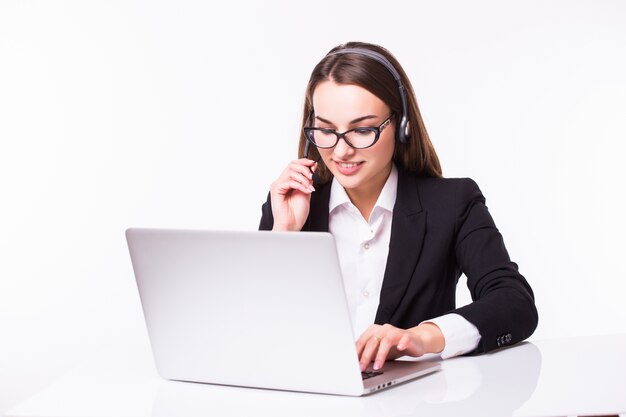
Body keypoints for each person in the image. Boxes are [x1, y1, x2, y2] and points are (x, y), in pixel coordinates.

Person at [259, 41, 538, 372]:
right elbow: (257, 328)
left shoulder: (452, 203)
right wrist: (285, 236)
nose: (341, 151)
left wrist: (421, 337)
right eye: (326, 130)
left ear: (402, 126)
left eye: (362, 130)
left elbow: (514, 303)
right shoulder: (291, 207)